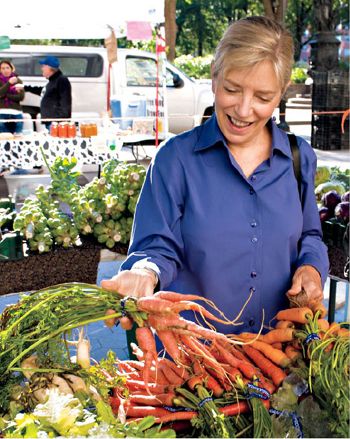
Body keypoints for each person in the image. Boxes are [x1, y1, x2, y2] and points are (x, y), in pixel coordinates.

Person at [101, 16, 329, 334]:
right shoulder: (175, 160)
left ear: (281, 94)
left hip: (278, 352)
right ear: (214, 76)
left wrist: (311, 268)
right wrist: (144, 272)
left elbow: (310, 236)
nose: (244, 109)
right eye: (232, 89)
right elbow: (155, 247)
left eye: (263, 98)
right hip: (192, 362)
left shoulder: (297, 157)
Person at [24, 55, 72, 130]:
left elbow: (65, 101)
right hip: (51, 121)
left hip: (56, 122)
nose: (41, 68)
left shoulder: (61, 80)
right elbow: (43, 91)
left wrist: (59, 120)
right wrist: (25, 88)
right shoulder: (53, 81)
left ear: (49, 68)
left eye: (43, 66)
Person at [0, 60, 25, 135]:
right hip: (2, 112)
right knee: (4, 137)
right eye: (3, 68)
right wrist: (9, 83)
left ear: (11, 69)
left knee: (18, 135)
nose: (5, 70)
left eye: (7, 68)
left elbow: (21, 97)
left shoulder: (18, 81)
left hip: (16, 112)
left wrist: (5, 95)